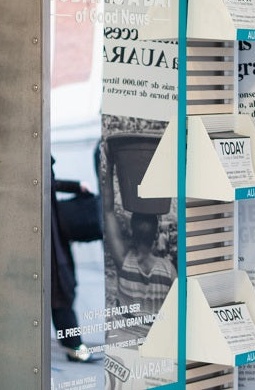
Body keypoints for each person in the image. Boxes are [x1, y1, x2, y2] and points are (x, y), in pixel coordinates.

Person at [101, 144, 177, 344]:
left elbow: (107, 210)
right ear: (155, 234)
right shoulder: (168, 271)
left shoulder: (124, 261)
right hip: (154, 343)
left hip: (123, 341)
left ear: (132, 232)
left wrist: (108, 165)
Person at [51, 156, 94, 363]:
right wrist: (75, 187)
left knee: (62, 293)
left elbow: (50, 184)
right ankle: (74, 346)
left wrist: (76, 187)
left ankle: (73, 346)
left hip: (52, 237)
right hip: (49, 241)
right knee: (61, 294)